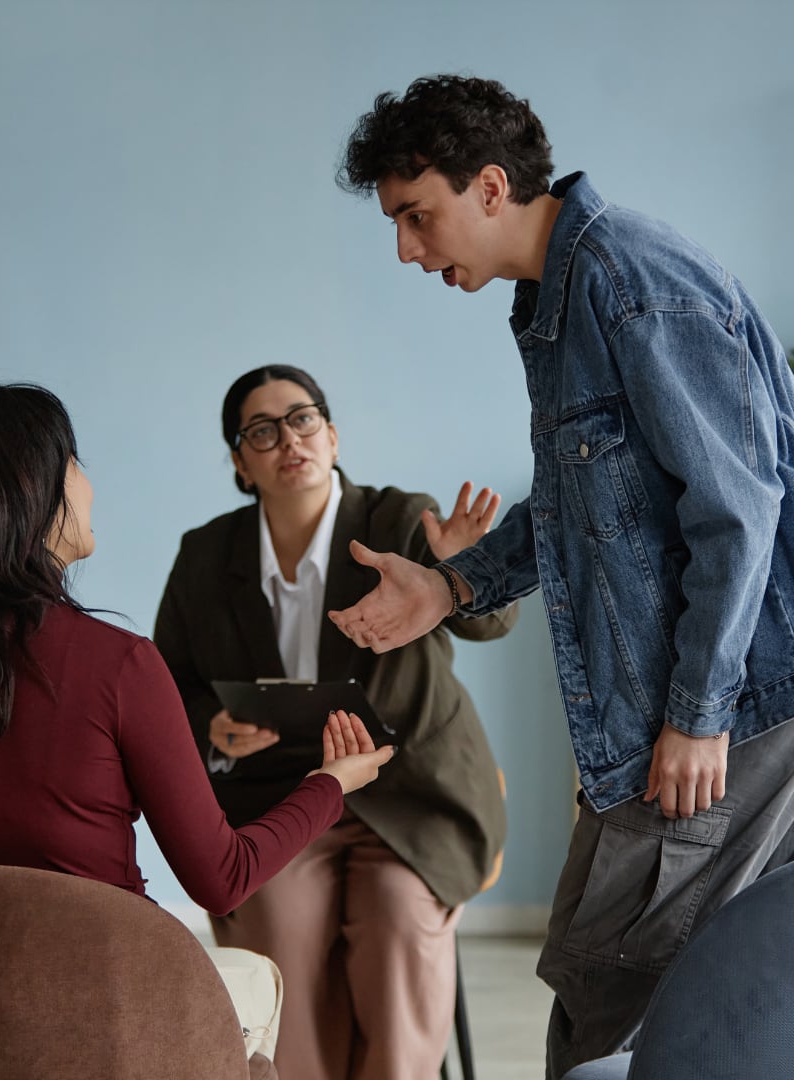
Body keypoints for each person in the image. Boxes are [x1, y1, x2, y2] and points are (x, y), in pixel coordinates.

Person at [330, 74, 794, 1078]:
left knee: (630, 993)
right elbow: (586, 512)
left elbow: (739, 507)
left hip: (736, 713)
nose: (408, 251)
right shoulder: (561, 298)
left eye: (418, 217)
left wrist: (700, 712)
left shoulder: (629, 280)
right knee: (603, 987)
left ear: (490, 186)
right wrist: (450, 587)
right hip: (666, 716)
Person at [0, 382, 395, 1062]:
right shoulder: (117, 666)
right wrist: (331, 784)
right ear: (30, 497)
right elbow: (222, 877)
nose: (87, 486)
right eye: (73, 466)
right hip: (111, 1027)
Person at [154, 365, 516, 1080]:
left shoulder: (400, 522)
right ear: (239, 462)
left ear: (332, 433)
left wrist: (459, 575)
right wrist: (212, 728)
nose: (289, 439)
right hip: (280, 799)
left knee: (394, 929)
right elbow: (172, 686)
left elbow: (494, 624)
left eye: (303, 418)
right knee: (273, 930)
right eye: (262, 430)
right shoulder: (206, 555)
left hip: (413, 795)